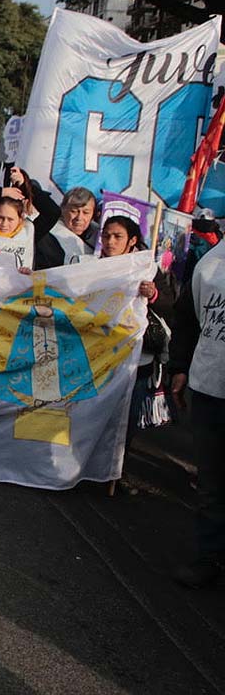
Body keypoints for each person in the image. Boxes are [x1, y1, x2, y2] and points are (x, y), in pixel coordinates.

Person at [169, 236, 225, 588]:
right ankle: (209, 559)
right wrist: (180, 365)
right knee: (212, 484)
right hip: (210, 389)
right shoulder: (211, 264)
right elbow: (187, 318)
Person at [98, 217, 172, 466]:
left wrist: (153, 294)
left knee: (125, 421)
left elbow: (170, 302)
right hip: (102, 358)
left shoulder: (147, 269)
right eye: (106, 235)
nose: (110, 242)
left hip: (137, 361)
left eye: (117, 236)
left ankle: (115, 471)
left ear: (131, 240)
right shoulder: (90, 269)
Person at [0, 175, 61, 270]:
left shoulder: (29, 230)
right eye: (0, 218)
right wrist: (0, 192)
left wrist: (24, 185)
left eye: (10, 219)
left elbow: (53, 212)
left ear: (20, 218)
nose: (4, 224)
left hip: (23, 283)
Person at [35, 187, 99, 269]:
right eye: (74, 211)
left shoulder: (102, 234)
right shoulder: (46, 235)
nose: (79, 217)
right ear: (62, 209)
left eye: (86, 212)